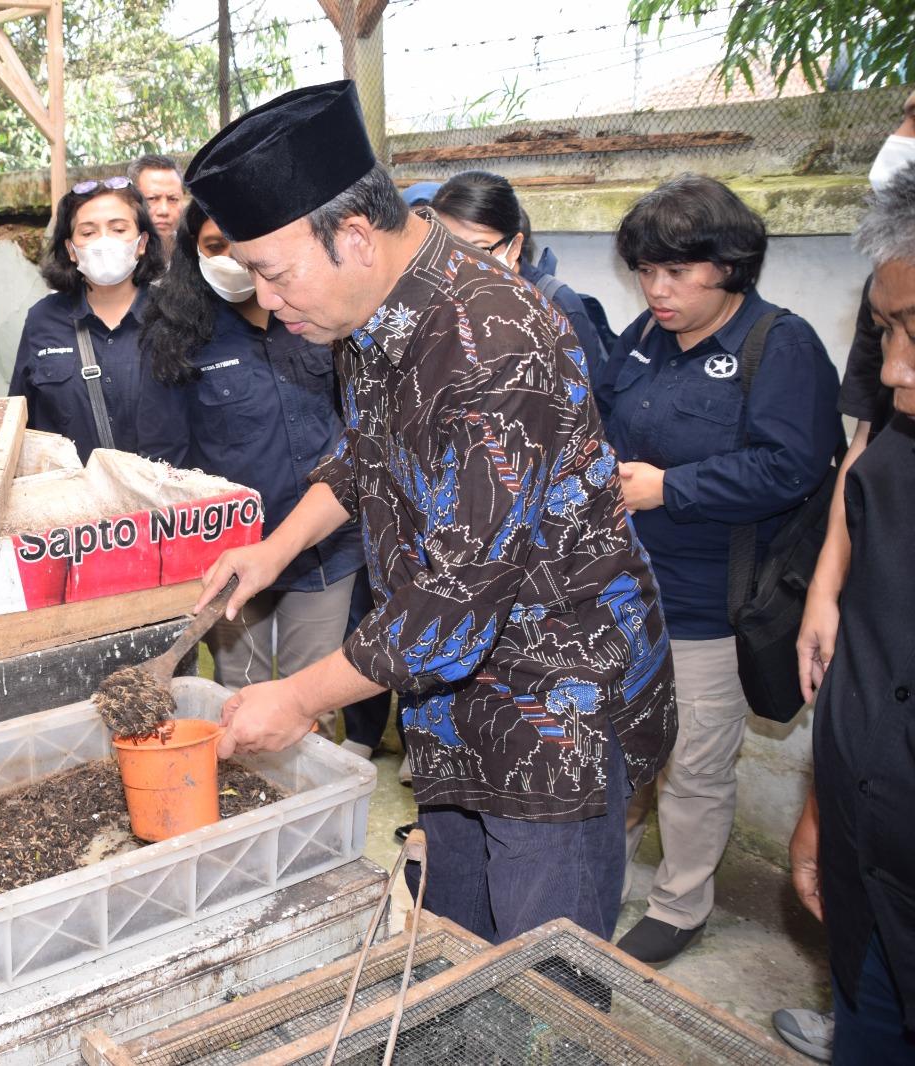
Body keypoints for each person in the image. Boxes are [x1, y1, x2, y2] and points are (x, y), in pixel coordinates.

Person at [185, 80, 676, 946]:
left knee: (542, 986)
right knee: (454, 954)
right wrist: (274, 549)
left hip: (551, 712)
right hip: (448, 704)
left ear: (355, 236)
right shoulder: (373, 315)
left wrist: (296, 699)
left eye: (274, 272)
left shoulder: (491, 341)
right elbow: (368, 451)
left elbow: (451, 610)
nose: (268, 302)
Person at [595, 175, 840, 967]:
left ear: (729, 266)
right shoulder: (647, 335)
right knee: (619, 744)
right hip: (628, 589)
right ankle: (606, 866)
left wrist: (672, 488)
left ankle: (682, 902)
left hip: (712, 604)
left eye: (677, 273)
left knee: (694, 761)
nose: (658, 291)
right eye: (646, 272)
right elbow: (605, 410)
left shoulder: (780, 344)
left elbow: (795, 466)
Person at [775, 84, 915, 1065]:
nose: (896, 370)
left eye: (914, 331)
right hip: (870, 859)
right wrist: (819, 814)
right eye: (888, 334)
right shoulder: (894, 448)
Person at [143, 200, 364, 703]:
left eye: (242, 243)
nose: (234, 258)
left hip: (324, 550)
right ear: (193, 254)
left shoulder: (317, 316)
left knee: (313, 701)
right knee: (240, 694)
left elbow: (358, 427)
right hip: (232, 555)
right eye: (216, 246)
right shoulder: (178, 336)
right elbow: (165, 462)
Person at [8, 176, 180, 462]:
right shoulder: (43, 320)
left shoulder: (174, 315)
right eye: (88, 233)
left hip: (163, 501)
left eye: (118, 229)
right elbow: (21, 419)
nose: (104, 242)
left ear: (142, 242)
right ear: (71, 250)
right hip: (70, 500)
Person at [430, 171, 610, 378]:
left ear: (514, 247)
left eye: (478, 250)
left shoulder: (558, 308)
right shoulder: (438, 301)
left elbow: (585, 398)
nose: (461, 265)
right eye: (447, 250)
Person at [129, 154, 186, 258]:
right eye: (152, 199)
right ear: (133, 201)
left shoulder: (198, 253)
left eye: (173, 199)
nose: (164, 211)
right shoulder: (121, 259)